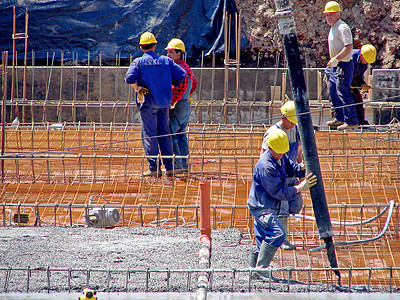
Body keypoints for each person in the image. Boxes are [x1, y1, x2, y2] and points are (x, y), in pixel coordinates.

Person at [248, 129, 317, 280]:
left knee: (263, 239)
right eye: (278, 152)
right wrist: (299, 188)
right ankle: (260, 269)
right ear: (270, 147)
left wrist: (302, 167)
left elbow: (291, 168)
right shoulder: (266, 166)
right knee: (278, 234)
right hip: (262, 207)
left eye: (282, 152)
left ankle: (253, 272)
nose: (281, 154)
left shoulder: (280, 156)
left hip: (266, 204)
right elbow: (278, 192)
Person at [125, 32, 186, 177]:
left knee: (150, 135)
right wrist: (169, 85)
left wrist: (138, 88)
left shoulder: (139, 62)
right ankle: (170, 167)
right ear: (154, 45)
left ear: (141, 47)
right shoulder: (166, 61)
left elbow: (129, 78)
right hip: (164, 104)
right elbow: (181, 75)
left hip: (148, 104)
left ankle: (154, 168)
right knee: (165, 133)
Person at [260, 101, 302, 250]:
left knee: (296, 206)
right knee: (282, 209)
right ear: (284, 117)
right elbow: (264, 158)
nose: (292, 124)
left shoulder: (296, 130)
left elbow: (298, 152)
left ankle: (273, 228)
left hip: (290, 174)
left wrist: (300, 168)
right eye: (291, 121)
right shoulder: (273, 133)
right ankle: (282, 240)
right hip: (278, 176)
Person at [323, 1, 358, 130]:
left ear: (338, 14)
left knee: (343, 92)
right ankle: (339, 118)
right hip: (335, 65)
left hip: (343, 65)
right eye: (327, 15)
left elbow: (348, 47)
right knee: (333, 91)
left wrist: (336, 59)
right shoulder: (334, 27)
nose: (329, 17)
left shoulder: (342, 27)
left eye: (331, 14)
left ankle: (351, 121)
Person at [165, 38, 198, 173]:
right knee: (181, 135)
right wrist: (186, 97)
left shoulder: (178, 68)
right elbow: (193, 83)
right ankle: (184, 164)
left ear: (179, 54)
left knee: (171, 133)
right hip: (185, 105)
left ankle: (177, 166)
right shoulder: (187, 67)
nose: (168, 55)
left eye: (171, 52)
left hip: (179, 106)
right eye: (167, 52)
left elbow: (177, 88)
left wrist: (172, 102)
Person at [351, 44, 377, 126]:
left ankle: (360, 123)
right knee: (344, 100)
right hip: (338, 78)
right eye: (365, 60)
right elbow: (342, 73)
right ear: (361, 55)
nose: (366, 62)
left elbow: (358, 77)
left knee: (358, 101)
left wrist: (363, 84)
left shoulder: (364, 63)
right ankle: (341, 121)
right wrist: (346, 85)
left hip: (350, 80)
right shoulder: (351, 57)